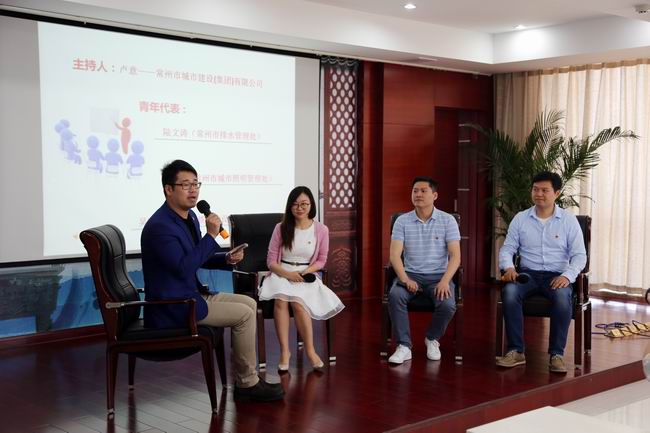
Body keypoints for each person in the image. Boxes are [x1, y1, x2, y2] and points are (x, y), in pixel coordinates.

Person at [141, 159, 284, 401]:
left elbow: (197, 257)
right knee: (245, 314)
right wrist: (210, 236)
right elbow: (183, 269)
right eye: (186, 185)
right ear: (168, 189)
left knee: (250, 304)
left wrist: (226, 258)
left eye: (196, 184)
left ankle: (246, 377)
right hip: (174, 306)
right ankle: (247, 384)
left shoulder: (189, 217)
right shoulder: (160, 227)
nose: (193, 190)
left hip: (190, 295)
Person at [497, 171, 587, 373]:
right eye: (535, 189)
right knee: (510, 292)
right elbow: (507, 249)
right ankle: (516, 351)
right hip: (527, 274)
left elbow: (580, 256)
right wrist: (509, 267)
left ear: (557, 193)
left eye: (545, 190)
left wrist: (567, 276)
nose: (539, 194)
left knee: (563, 299)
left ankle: (556, 355)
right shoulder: (521, 219)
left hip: (557, 276)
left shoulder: (568, 221)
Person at [258, 186, 344, 372]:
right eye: (296, 204)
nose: (300, 208)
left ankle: (311, 351)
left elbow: (321, 260)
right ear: (290, 206)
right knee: (281, 300)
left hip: (306, 274)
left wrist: (305, 272)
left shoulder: (321, 229)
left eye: (304, 204)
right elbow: (271, 261)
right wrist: (288, 274)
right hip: (282, 272)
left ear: (311, 205)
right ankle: (284, 352)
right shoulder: (281, 228)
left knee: (298, 303)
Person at [387, 176, 461, 364]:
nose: (418, 194)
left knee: (447, 304)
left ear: (435, 195)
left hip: (439, 276)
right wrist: (405, 279)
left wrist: (445, 281)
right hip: (411, 275)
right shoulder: (402, 221)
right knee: (395, 295)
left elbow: (455, 256)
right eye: (415, 191)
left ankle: (432, 338)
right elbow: (394, 256)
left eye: (423, 191)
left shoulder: (448, 221)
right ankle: (404, 346)